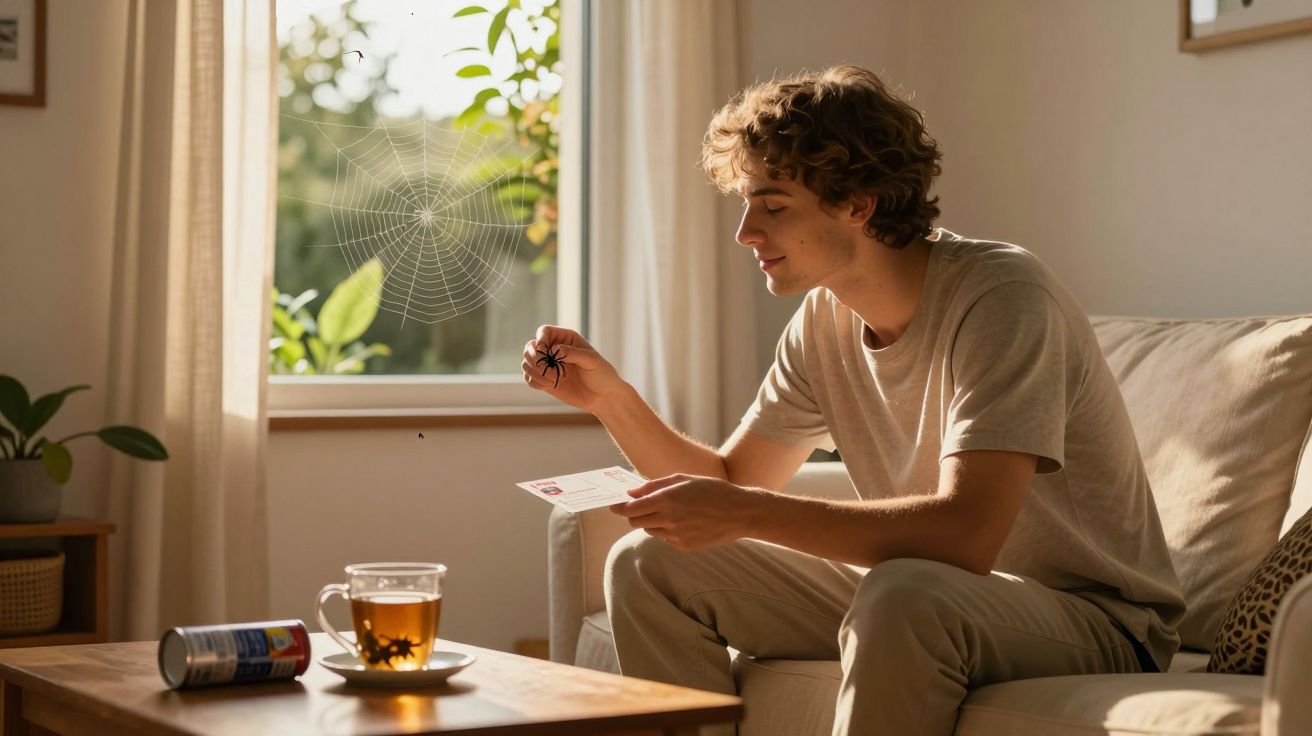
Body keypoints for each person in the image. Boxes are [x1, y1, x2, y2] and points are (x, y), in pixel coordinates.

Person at [521, 65, 1184, 735]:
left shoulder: (1003, 297)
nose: (746, 233)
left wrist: (746, 512)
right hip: (937, 596)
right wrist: (612, 400)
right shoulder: (822, 321)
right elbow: (728, 482)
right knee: (649, 563)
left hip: (1092, 619)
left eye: (773, 205)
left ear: (859, 204)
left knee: (903, 592)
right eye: (748, 204)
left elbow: (966, 534)